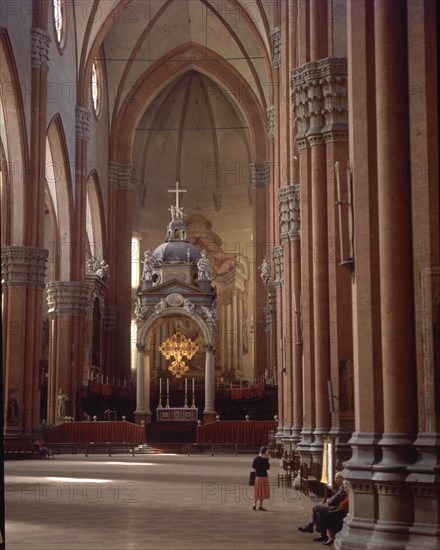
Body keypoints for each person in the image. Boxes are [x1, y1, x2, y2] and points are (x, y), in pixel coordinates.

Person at [298, 471, 347, 542]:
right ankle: (322, 535)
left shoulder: (343, 488)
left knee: (316, 507)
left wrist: (328, 501)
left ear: (342, 478)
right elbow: (336, 497)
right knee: (318, 513)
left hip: (337, 509)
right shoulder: (341, 487)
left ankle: (310, 526)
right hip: (334, 506)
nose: (335, 480)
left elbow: (333, 500)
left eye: (337, 478)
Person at [251, 445, 270, 511]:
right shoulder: (265, 459)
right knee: (263, 492)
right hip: (264, 476)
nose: (268, 452)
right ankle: (260, 506)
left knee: (257, 491)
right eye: (267, 451)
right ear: (264, 452)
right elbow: (268, 468)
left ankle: (254, 504)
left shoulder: (256, 458)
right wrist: (267, 459)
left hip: (257, 477)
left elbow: (253, 466)